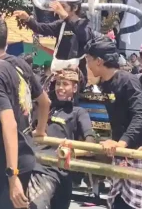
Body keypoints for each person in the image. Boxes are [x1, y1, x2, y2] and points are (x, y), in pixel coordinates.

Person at [0, 14, 51, 209]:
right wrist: (40, 130)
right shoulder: (20, 64)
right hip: (24, 155)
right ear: (6, 41)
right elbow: (45, 101)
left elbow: (9, 123)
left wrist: (11, 175)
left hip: (7, 162)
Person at [82, 31, 142, 209]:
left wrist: (122, 143)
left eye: (88, 60)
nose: (87, 64)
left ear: (99, 61)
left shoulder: (127, 81)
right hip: (121, 153)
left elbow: (141, 117)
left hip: (139, 153)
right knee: (117, 202)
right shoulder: (105, 84)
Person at [28, 68, 95, 209]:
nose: (60, 88)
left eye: (65, 84)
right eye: (58, 84)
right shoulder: (45, 109)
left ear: (75, 88)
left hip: (57, 168)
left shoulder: (78, 113)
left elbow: (91, 143)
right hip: (35, 165)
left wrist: (73, 151)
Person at [13, 0, 89, 76]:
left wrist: (66, 17)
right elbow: (41, 28)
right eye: (58, 7)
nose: (58, 10)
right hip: (58, 73)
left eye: (63, 7)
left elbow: (83, 35)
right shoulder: (60, 24)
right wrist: (27, 19)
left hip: (76, 75)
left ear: (74, 8)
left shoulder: (84, 24)